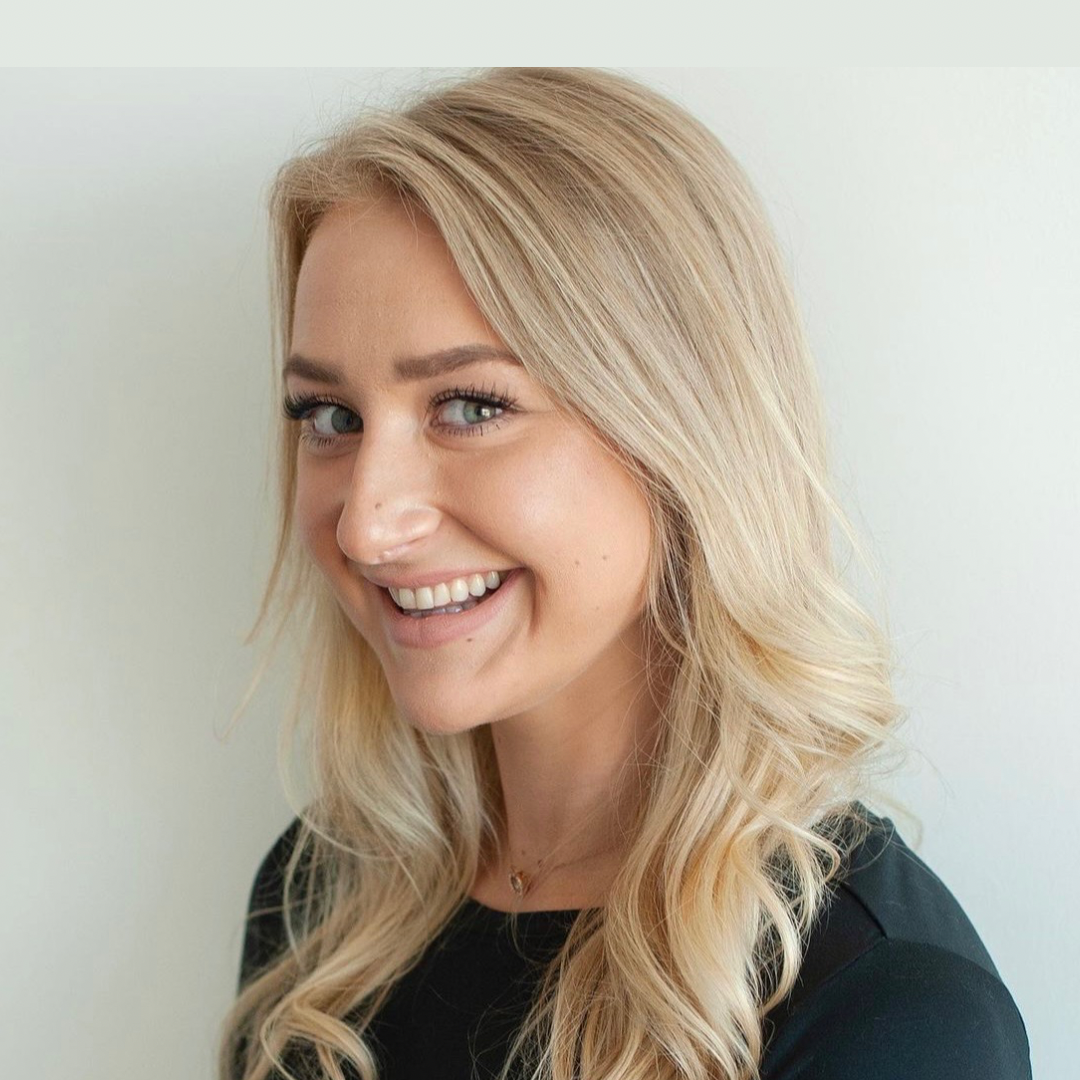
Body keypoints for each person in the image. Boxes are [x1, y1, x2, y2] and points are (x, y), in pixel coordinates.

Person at [218, 68, 1031, 1080]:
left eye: (470, 406)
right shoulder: (325, 902)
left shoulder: (885, 1008)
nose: (367, 524)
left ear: (680, 431)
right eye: (330, 416)